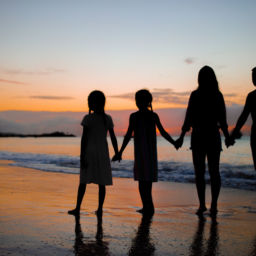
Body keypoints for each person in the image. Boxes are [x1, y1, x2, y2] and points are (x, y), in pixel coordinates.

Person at [176, 66, 232, 216]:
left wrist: (181, 137)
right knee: (214, 172)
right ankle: (212, 205)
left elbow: (188, 118)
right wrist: (227, 136)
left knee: (200, 173)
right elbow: (223, 120)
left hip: (200, 136)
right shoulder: (217, 95)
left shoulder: (196, 95)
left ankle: (203, 205)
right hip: (212, 136)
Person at [113, 89, 177, 216]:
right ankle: (147, 206)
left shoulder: (151, 116)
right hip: (143, 154)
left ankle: (149, 207)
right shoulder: (136, 116)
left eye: (141, 100)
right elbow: (127, 136)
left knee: (145, 183)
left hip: (148, 154)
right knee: (143, 183)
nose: (139, 102)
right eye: (138, 100)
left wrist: (174, 142)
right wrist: (120, 152)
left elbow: (163, 132)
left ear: (148, 102)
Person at [68, 90, 118, 216]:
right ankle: (80, 208)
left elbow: (112, 137)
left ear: (99, 103)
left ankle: (97, 209)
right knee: (85, 181)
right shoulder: (93, 118)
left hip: (95, 154)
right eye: (89, 102)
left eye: (91, 102)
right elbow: (84, 139)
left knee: (95, 183)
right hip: (97, 154)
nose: (90, 104)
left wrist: (117, 152)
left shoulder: (101, 119)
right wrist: (82, 156)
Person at [231, 67, 256, 170]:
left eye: (254, 77)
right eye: (253, 77)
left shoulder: (252, 96)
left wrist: (235, 132)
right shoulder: (251, 96)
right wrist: (235, 131)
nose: (253, 79)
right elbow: (243, 116)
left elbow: (243, 116)